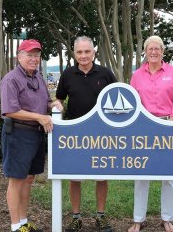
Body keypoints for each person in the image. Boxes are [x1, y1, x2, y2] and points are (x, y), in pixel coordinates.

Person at [54, 36, 117, 232]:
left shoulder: (106, 74)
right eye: (79, 52)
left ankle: (100, 216)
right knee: (75, 177)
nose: (83, 55)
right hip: (75, 134)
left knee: (101, 177)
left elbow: (116, 99)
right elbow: (59, 98)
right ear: (74, 53)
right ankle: (76, 217)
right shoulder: (67, 74)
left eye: (87, 52)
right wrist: (57, 104)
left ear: (94, 52)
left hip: (101, 134)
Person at [0, 39, 61, 232]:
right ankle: (15, 226)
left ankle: (24, 221)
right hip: (18, 133)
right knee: (16, 179)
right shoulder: (11, 79)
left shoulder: (38, 78)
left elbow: (45, 102)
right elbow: (10, 111)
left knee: (29, 178)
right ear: (19, 57)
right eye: (29, 55)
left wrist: (54, 105)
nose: (33, 59)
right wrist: (40, 117)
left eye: (36, 55)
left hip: (36, 134)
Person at [128, 35, 173, 232]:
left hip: (167, 125)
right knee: (141, 174)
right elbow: (132, 103)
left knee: (168, 175)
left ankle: (167, 218)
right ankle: (138, 218)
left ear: (162, 51)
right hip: (144, 127)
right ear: (145, 51)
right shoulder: (137, 75)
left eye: (157, 49)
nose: (153, 52)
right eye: (150, 49)